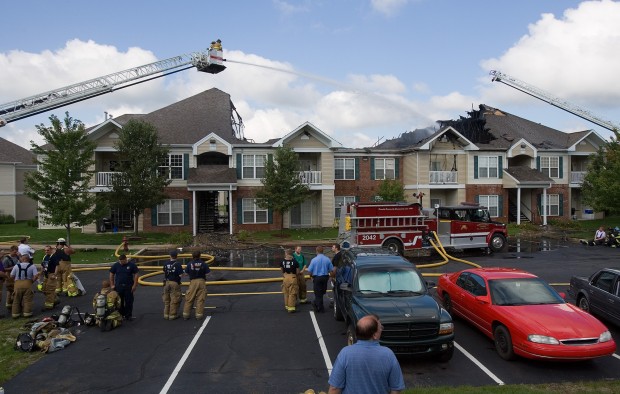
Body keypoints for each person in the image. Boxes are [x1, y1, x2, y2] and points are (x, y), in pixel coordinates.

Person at [328, 315, 405, 394]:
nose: (381, 329)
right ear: (374, 335)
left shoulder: (345, 354)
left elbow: (334, 388)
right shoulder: (388, 355)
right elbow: (396, 389)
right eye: (380, 328)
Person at [109, 254, 139, 321]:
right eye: (120, 261)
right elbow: (111, 274)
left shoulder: (131, 265)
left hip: (128, 287)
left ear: (126, 259)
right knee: (119, 302)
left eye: (123, 261)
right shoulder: (116, 265)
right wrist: (112, 284)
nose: (121, 263)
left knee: (129, 302)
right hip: (119, 287)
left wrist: (134, 285)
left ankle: (128, 316)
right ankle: (121, 315)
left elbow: (136, 274)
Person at [183, 250, 210, 320]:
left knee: (189, 297)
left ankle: (186, 314)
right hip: (201, 281)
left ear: (192, 256)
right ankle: (199, 315)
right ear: (200, 256)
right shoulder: (204, 264)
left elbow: (185, 273)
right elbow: (208, 273)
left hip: (193, 282)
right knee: (200, 299)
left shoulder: (190, 264)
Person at [10, 254, 39, 318]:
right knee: (27, 300)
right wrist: (32, 281)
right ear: (28, 259)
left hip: (18, 284)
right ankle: (27, 313)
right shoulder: (32, 266)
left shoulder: (16, 266)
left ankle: (15, 314)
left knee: (16, 300)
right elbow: (36, 276)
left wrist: (15, 281)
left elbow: (12, 275)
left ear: (22, 259)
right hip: (27, 283)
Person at [306, 246, 333, 313]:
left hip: (317, 278)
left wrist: (310, 277)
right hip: (325, 277)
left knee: (318, 293)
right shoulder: (327, 259)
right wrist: (331, 277)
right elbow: (331, 270)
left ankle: (317, 304)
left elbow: (309, 271)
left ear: (316, 251)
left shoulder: (314, 260)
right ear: (323, 251)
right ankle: (319, 306)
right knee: (323, 291)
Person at [162, 250, 184, 320]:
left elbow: (164, 271)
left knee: (167, 299)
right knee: (175, 299)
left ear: (170, 256)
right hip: (174, 283)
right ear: (177, 256)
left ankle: (166, 314)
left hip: (167, 282)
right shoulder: (178, 264)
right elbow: (180, 275)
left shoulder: (165, 263)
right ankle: (172, 315)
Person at [40, 245, 59, 311]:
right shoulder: (45, 257)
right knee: (44, 289)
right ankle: (55, 299)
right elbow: (42, 265)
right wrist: (40, 273)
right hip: (46, 275)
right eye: (45, 250)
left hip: (51, 275)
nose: (46, 251)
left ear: (50, 250)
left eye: (48, 250)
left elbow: (57, 266)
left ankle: (49, 306)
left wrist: (55, 274)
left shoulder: (53, 257)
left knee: (49, 290)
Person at [280, 248, 298, 313]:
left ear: (286, 253)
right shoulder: (295, 261)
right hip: (292, 277)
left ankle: (287, 305)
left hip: (285, 277)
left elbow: (282, 270)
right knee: (292, 292)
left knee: (286, 292)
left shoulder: (282, 261)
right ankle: (291, 308)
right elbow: (297, 271)